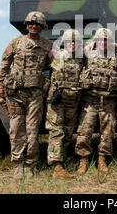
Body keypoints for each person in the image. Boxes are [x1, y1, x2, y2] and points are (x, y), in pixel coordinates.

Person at [0, 11, 53, 179]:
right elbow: (4, 64)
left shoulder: (47, 46)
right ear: (27, 25)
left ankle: (30, 164)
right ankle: (17, 164)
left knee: (33, 130)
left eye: (36, 24)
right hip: (16, 93)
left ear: (41, 27)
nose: (33, 26)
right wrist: (0, 85)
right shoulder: (15, 43)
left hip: (35, 95)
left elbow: (55, 66)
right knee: (16, 128)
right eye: (30, 24)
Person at [75, 28, 117, 174]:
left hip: (108, 101)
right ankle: (83, 161)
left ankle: (102, 159)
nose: (103, 42)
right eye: (100, 39)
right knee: (84, 132)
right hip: (90, 100)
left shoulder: (116, 55)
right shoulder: (87, 53)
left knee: (107, 133)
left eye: (106, 39)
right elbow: (70, 53)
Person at [45, 29, 84, 178]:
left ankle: (63, 160)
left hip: (72, 101)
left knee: (68, 133)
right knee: (56, 132)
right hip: (58, 102)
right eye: (69, 41)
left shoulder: (81, 58)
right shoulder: (56, 56)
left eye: (75, 42)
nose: (72, 44)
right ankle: (57, 167)